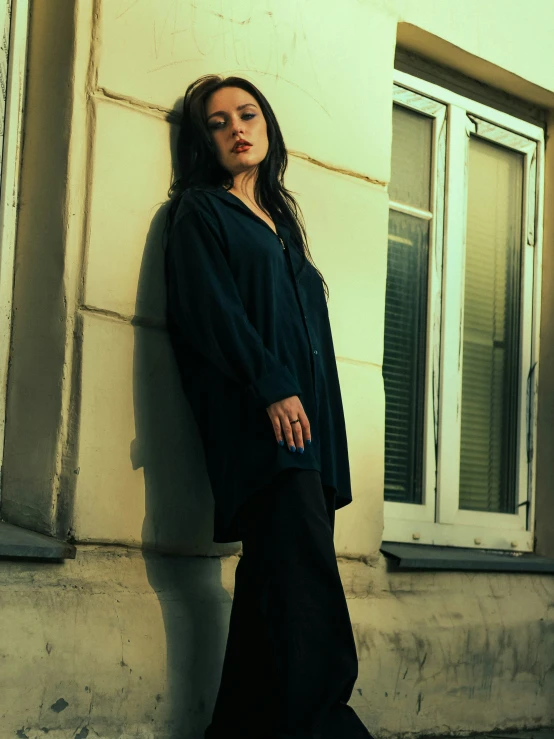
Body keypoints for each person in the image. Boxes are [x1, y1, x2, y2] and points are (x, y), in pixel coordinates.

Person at [164, 74, 373, 739]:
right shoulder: (201, 212)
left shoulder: (282, 223)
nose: (235, 129)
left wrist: (329, 453)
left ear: (268, 125)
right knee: (309, 602)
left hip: (307, 441)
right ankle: (329, 726)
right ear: (204, 142)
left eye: (246, 115)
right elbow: (211, 314)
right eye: (218, 123)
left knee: (269, 602)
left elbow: (317, 343)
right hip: (266, 436)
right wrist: (271, 382)